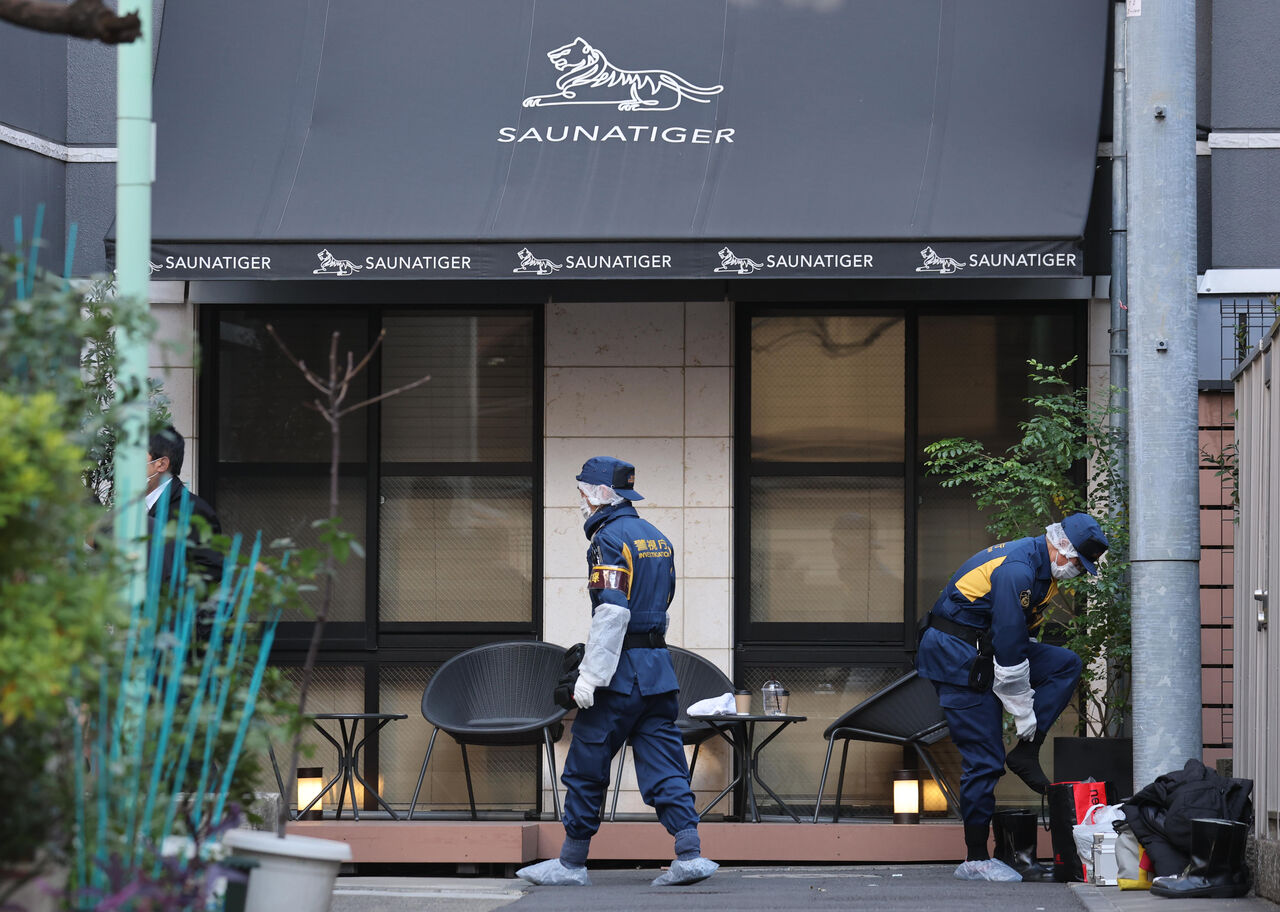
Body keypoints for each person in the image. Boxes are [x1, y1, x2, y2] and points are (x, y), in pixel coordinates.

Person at [517, 457, 718, 888]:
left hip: (620, 677)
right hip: (658, 673)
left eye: (583, 493)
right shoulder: (658, 539)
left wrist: (590, 677)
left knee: (587, 762)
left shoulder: (608, 539)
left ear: (602, 493)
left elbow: (612, 612)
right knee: (665, 762)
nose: (581, 502)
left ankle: (571, 863)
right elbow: (661, 604)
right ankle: (689, 854)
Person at [915, 513, 1109, 883]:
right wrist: (1020, 707)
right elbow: (1008, 639)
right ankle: (976, 858)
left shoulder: (1043, 570)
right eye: (1077, 563)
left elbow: (1019, 636)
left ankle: (1026, 752)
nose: (1077, 572)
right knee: (984, 760)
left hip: (986, 651)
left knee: (1065, 664)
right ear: (1061, 546)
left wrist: (1025, 712)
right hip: (956, 658)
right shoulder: (1018, 569)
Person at [145, 425, 223, 587]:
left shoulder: (193, 511)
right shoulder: (128, 507)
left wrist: (165, 591)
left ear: (161, 464)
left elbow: (210, 572)